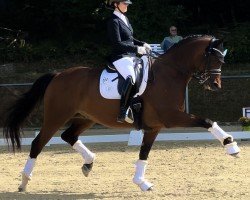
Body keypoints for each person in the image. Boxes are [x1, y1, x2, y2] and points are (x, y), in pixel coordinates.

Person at [107, 0, 151, 123]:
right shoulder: (113, 21)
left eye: (127, 4)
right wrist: (137, 48)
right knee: (131, 77)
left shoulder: (124, 18)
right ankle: (123, 111)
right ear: (116, 5)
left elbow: (130, 39)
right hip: (120, 56)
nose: (127, 5)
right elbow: (117, 44)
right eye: (124, 3)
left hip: (130, 56)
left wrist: (142, 44)